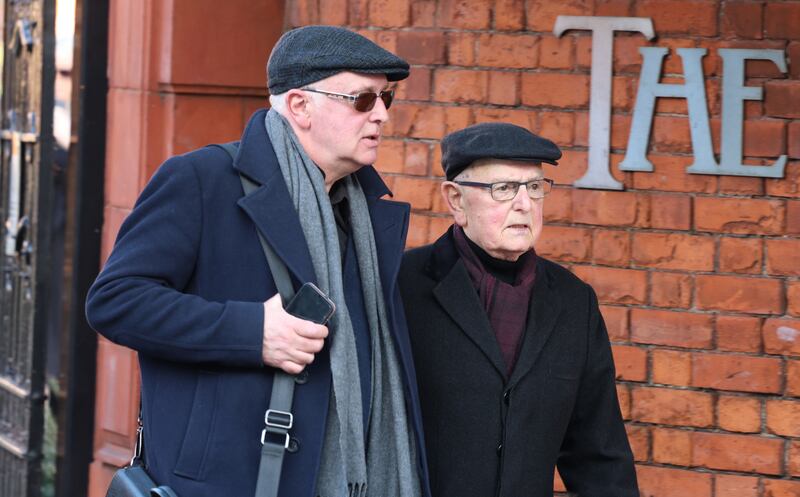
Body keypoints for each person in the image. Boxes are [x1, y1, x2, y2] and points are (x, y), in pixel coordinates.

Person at [86, 25, 429, 497]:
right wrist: (252, 332)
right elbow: (115, 301)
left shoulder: (366, 212)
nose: (382, 116)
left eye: (386, 98)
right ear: (299, 105)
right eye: (363, 100)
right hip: (231, 479)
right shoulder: (203, 179)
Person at [399, 122, 639, 497]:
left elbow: (599, 455)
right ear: (456, 200)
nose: (524, 203)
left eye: (534, 187)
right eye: (504, 188)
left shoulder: (574, 302)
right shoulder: (401, 285)